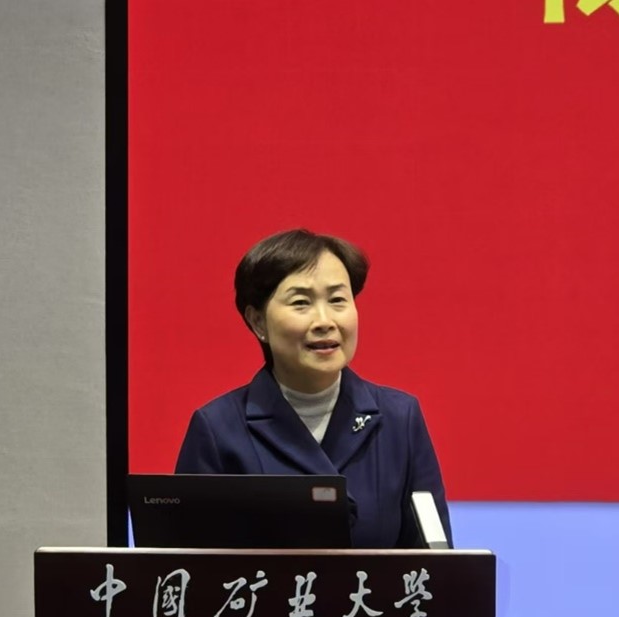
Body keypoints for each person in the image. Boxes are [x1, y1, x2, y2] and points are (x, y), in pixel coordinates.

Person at [175, 229, 453, 548]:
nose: (324, 321)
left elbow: (435, 561)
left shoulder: (400, 419)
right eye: (301, 303)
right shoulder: (217, 429)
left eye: (337, 300)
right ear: (258, 322)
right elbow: (189, 567)